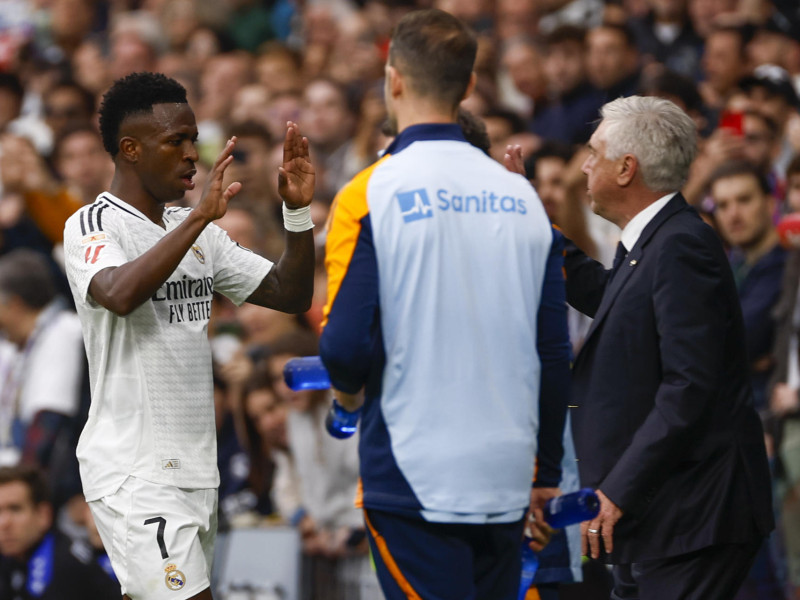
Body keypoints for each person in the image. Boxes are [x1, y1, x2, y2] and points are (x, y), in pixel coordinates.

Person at [319, 9, 571, 600]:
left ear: (394, 78)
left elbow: (345, 344)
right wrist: (547, 473)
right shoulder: (523, 197)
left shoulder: (370, 191)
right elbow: (552, 352)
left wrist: (347, 396)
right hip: (507, 472)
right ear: (469, 87)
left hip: (414, 472)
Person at [62, 71, 315, 600]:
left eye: (192, 139)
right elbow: (119, 293)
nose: (190, 154)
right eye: (174, 141)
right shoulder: (93, 225)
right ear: (130, 150)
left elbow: (289, 295)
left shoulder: (199, 231)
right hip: (134, 470)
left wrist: (296, 212)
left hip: (198, 470)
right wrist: (198, 218)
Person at [564, 95, 773, 600]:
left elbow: (689, 385)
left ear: (625, 168)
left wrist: (618, 488)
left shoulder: (681, 243)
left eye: (594, 152)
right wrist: (528, 227)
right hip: (664, 517)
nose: (586, 164)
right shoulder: (655, 242)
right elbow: (609, 297)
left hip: (693, 515)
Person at [0, 464, 119, 599]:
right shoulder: (13, 559)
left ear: (43, 515)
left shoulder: (67, 570)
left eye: (15, 509)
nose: (4, 523)